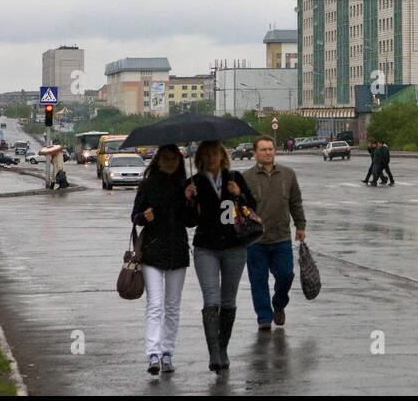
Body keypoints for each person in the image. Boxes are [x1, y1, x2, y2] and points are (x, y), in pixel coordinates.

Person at [186, 140, 257, 371]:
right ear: (201, 158)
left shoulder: (234, 178)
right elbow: (188, 221)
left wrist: (240, 195)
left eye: (215, 153)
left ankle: (223, 347)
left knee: (228, 301)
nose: (212, 158)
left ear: (222, 156)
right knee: (212, 300)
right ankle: (213, 352)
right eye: (207, 154)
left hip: (234, 247)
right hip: (206, 247)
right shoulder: (194, 182)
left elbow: (253, 207)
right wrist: (188, 198)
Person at [131, 144, 197, 375]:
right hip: (152, 252)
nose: (170, 162)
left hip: (177, 252)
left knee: (172, 306)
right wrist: (143, 216)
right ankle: (153, 354)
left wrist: (190, 199)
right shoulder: (148, 185)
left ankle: (167, 351)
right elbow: (135, 217)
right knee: (155, 304)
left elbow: (191, 222)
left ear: (179, 162)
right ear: (158, 161)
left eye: (174, 159)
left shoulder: (185, 186)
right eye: (166, 158)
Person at [244, 136, 306, 331]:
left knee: (286, 275)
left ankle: (279, 303)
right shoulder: (246, 178)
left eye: (270, 149)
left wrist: (300, 225)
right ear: (254, 154)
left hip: (281, 237)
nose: (268, 152)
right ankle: (264, 316)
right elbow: (239, 208)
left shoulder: (288, 175)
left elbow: (295, 202)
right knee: (258, 280)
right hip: (255, 240)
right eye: (263, 149)